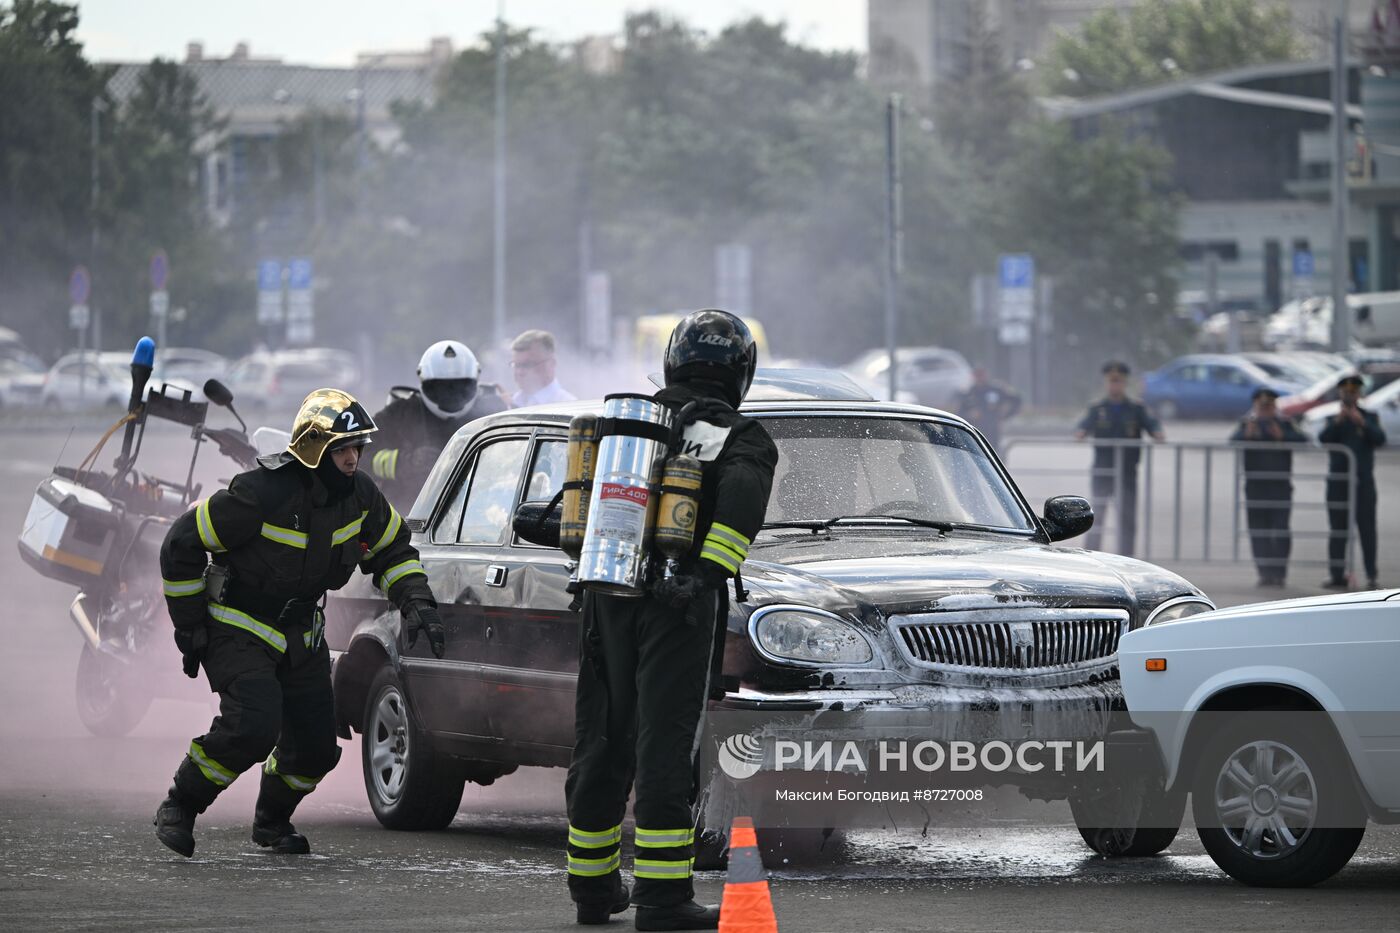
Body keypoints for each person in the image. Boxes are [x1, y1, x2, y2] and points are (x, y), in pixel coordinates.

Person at [153, 389, 446, 858]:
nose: (353, 459)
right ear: (315, 450)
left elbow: (393, 550)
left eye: (357, 448)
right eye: (342, 450)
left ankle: (271, 820)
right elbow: (180, 544)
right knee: (254, 724)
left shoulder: (362, 496)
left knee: (314, 749)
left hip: (301, 633)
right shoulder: (259, 493)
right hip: (239, 624)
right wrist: (189, 627)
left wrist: (417, 601)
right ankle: (181, 804)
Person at [565, 310, 777, 930]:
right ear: (741, 372)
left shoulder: (634, 422)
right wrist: (704, 578)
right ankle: (662, 899)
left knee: (602, 734)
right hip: (677, 607)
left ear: (672, 362)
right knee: (666, 742)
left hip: (608, 593)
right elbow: (737, 516)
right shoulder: (742, 436)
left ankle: (593, 887)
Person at [370, 340, 507, 508]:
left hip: (477, 511)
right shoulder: (400, 413)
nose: (452, 394)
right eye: (441, 387)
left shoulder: (495, 412)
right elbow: (359, 455)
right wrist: (404, 462)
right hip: (410, 513)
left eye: (460, 386)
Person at [1075, 361, 1165, 556]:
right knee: (1095, 517)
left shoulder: (1136, 409)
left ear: (1125, 383)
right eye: (1111, 382)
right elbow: (1081, 428)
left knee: (1127, 519)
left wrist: (1157, 433)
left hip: (1126, 472)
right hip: (1103, 471)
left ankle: (1126, 558)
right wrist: (1080, 432)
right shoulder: (1097, 408)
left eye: (1119, 382)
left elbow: (1154, 428)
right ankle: (1091, 557)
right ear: (1106, 383)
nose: (1115, 386)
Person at [1230, 387, 1307, 587]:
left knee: (1280, 530)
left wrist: (1282, 436)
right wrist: (1246, 435)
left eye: (1269, 406)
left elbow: (1304, 440)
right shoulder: (1248, 423)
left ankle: (1280, 573)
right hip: (1255, 487)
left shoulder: (1285, 423)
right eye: (1262, 406)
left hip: (1280, 487)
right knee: (1258, 531)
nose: (1266, 410)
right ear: (1256, 406)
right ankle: (1264, 573)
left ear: (1274, 406)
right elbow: (1232, 441)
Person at [1319, 373, 1387, 589]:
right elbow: (1323, 438)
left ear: (1359, 395)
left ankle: (1371, 575)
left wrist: (1362, 423)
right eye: (1346, 393)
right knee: (1338, 530)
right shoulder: (1333, 419)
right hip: (1338, 483)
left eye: (1353, 392)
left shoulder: (1369, 417)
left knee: (1367, 529)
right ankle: (1337, 574)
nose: (1350, 396)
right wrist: (1339, 422)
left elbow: (1380, 439)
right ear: (1340, 394)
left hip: (1363, 482)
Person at [955, 366, 1022, 449]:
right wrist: (970, 415)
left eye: (981, 374)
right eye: (977, 375)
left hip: (993, 430)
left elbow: (1016, 400)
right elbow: (960, 414)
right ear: (973, 376)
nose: (980, 377)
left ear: (986, 375)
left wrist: (1006, 415)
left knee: (993, 452)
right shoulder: (969, 393)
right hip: (975, 430)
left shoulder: (996, 390)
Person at [511, 329, 576, 407]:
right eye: (516, 365)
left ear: (551, 364)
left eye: (527, 364)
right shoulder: (513, 402)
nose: (519, 372)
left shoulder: (567, 406)